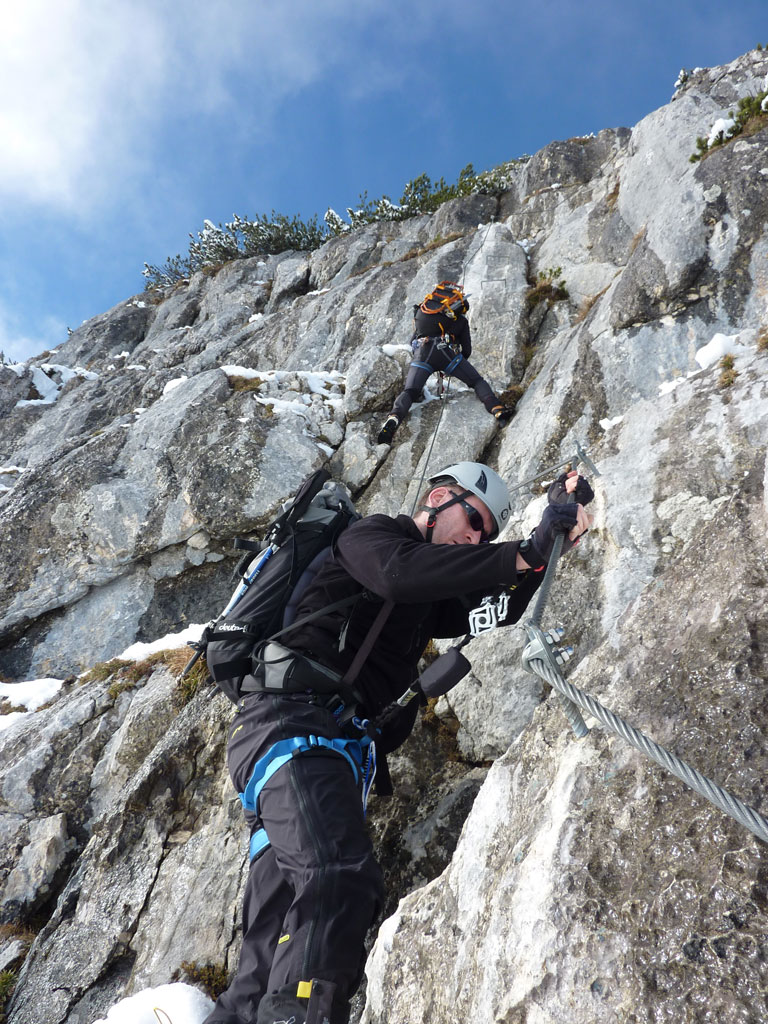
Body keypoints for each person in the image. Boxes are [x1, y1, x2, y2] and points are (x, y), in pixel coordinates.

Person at [204, 461, 593, 1024]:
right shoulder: (370, 537)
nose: (476, 536)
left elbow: (492, 608)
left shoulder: (424, 594)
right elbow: (397, 574)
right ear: (438, 497)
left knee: (268, 950)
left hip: (315, 746)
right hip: (288, 728)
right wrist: (521, 551)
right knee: (337, 877)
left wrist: (548, 542)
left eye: (485, 531)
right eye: (474, 519)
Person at [377, 282, 513, 446]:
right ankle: (496, 408)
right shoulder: (460, 321)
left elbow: (413, 341)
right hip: (446, 354)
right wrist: (456, 364)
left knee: (410, 391)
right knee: (476, 381)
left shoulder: (426, 312)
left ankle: (394, 417)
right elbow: (467, 350)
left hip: (422, 354)